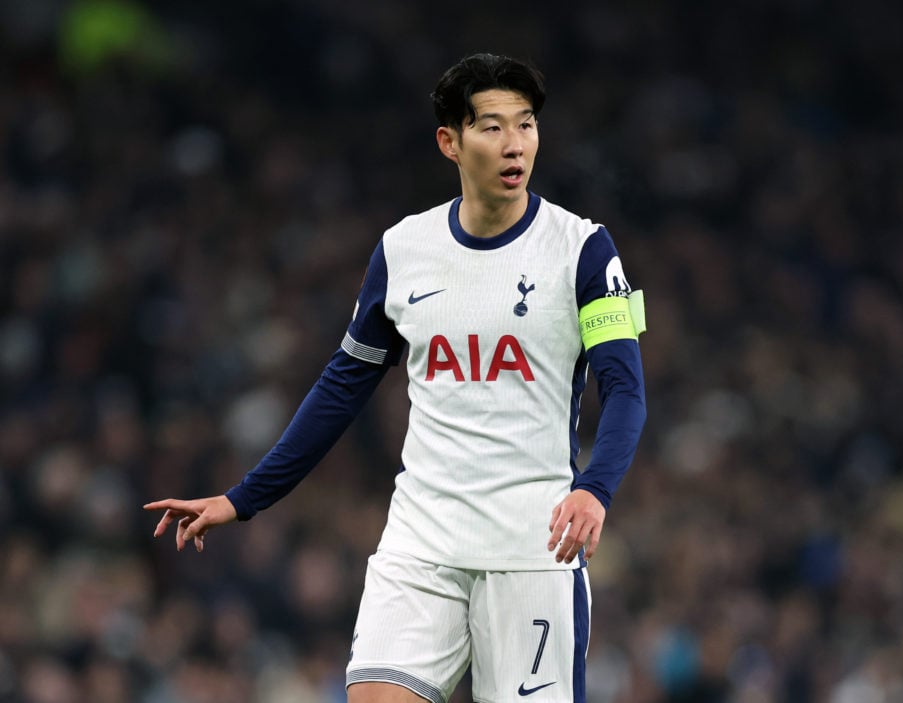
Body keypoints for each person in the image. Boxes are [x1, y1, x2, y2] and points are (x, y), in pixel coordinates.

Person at [145, 52, 647, 703]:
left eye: (525, 125)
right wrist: (245, 497)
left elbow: (626, 388)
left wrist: (596, 489)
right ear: (450, 140)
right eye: (492, 127)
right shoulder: (403, 250)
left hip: (532, 545)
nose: (515, 143)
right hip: (422, 541)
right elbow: (342, 386)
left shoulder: (584, 249)